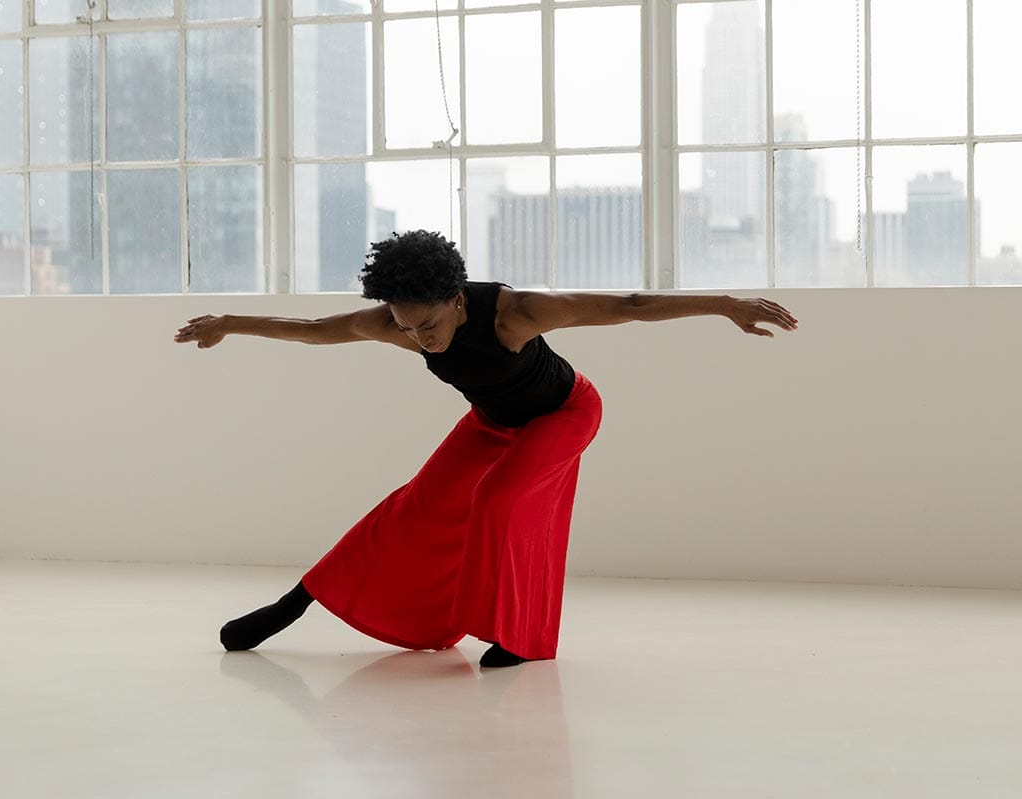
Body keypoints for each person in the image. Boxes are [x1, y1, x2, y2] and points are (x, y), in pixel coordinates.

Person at [174, 230, 799, 668]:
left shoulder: (514, 314)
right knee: (411, 508)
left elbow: (628, 306)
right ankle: (291, 607)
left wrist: (725, 305)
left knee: (499, 500)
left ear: (456, 300)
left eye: (431, 325)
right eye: (405, 325)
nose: (420, 338)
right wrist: (229, 322)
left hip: (564, 413)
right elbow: (314, 331)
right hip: (493, 422)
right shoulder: (398, 326)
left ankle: (518, 637)